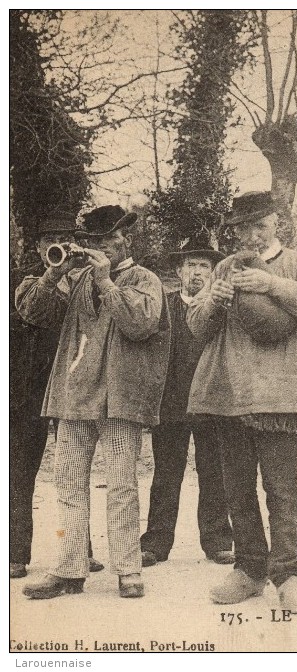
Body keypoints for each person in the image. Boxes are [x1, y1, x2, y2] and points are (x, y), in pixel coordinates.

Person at [187, 192, 297, 609]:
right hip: (230, 393)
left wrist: (272, 283)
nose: (252, 235)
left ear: (277, 225)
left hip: (280, 397)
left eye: (261, 226)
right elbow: (197, 326)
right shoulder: (223, 267)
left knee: (282, 487)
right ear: (233, 232)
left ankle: (289, 573)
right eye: (243, 228)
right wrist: (213, 300)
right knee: (237, 488)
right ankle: (250, 571)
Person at [18, 205, 170, 599]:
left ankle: (127, 570)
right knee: (67, 483)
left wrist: (105, 281)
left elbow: (140, 324)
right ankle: (70, 568)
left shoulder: (145, 279)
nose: (101, 248)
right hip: (74, 395)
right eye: (95, 242)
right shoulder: (77, 277)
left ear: (126, 241)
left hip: (120, 397)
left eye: (108, 241)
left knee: (121, 485)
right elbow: (34, 312)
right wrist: (54, 272)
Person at [11, 215, 104, 580]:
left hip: (71, 385)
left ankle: (80, 549)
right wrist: (55, 272)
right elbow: (31, 308)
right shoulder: (28, 282)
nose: (59, 247)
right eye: (51, 241)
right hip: (28, 391)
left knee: (74, 470)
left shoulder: (88, 280)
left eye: (67, 240)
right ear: (38, 248)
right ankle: (14, 553)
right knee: (19, 472)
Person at [140, 241, 234, 568]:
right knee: (166, 475)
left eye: (204, 266)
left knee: (214, 473)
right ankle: (155, 543)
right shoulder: (161, 306)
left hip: (211, 404)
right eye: (190, 265)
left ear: (213, 273)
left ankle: (218, 541)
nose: (196, 272)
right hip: (169, 405)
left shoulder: (220, 309)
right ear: (178, 270)